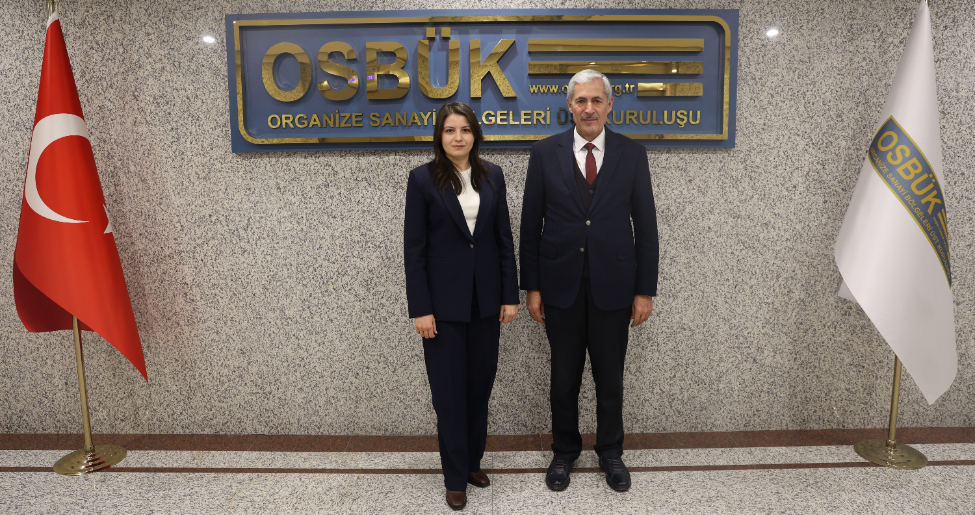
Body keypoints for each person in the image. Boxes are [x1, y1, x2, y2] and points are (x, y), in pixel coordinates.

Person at [519, 69, 659, 492]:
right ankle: (564, 451)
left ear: (609, 105)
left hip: (614, 287)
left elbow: (646, 227)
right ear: (569, 105)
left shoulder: (632, 153)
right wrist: (533, 288)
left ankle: (611, 451)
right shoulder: (545, 152)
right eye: (581, 100)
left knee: (610, 378)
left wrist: (644, 290)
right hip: (559, 286)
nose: (589, 108)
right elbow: (530, 226)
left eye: (597, 100)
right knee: (563, 378)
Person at [404, 102, 519, 510]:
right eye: (450, 130)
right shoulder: (422, 179)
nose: (458, 137)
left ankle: (472, 463)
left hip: (486, 303)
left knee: (478, 388)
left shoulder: (493, 176)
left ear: (475, 135)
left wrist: (509, 295)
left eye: (465, 130)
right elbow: (414, 251)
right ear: (440, 136)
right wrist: (420, 309)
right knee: (449, 396)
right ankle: (454, 477)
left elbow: (503, 240)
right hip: (442, 309)